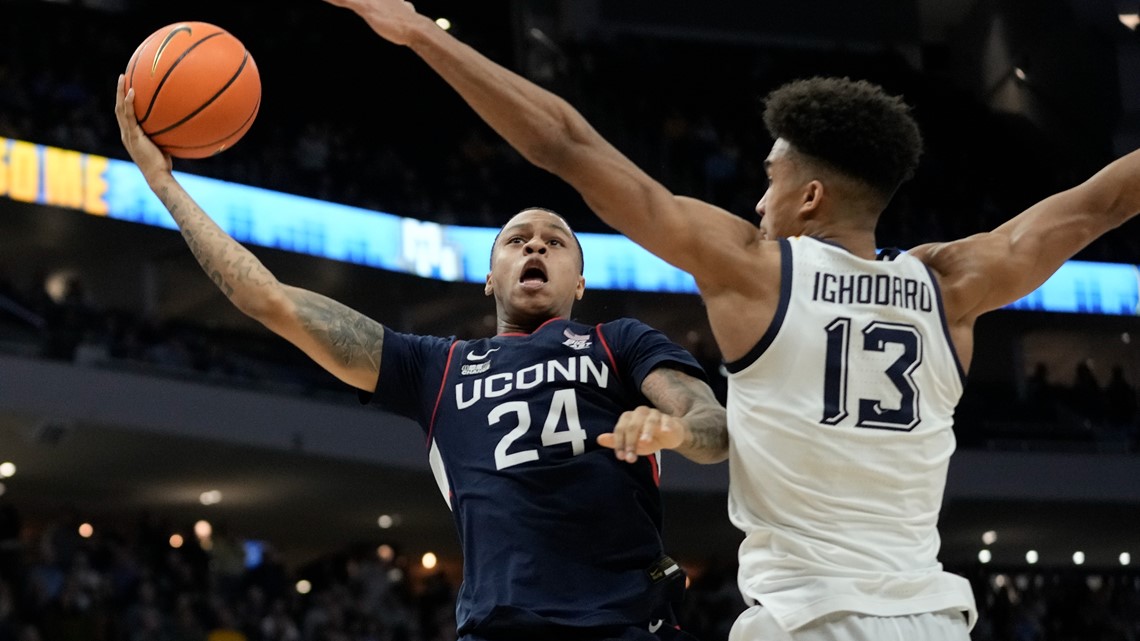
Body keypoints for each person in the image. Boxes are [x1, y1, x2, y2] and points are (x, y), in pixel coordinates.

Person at [320, 1, 1140, 639]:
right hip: (931, 613)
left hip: (802, 618)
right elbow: (1101, 201)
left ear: (810, 196)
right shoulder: (954, 281)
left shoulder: (754, 267)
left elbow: (567, 144)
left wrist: (424, 35)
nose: (757, 198)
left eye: (770, 178)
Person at [113, 75, 728, 641]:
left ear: (580, 282)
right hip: (500, 629)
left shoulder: (618, 341)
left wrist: (672, 428)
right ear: (490, 278)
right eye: (517, 240)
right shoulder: (435, 366)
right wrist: (163, 183)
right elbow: (267, 299)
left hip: (627, 625)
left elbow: (714, 430)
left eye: (555, 241)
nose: (535, 243)